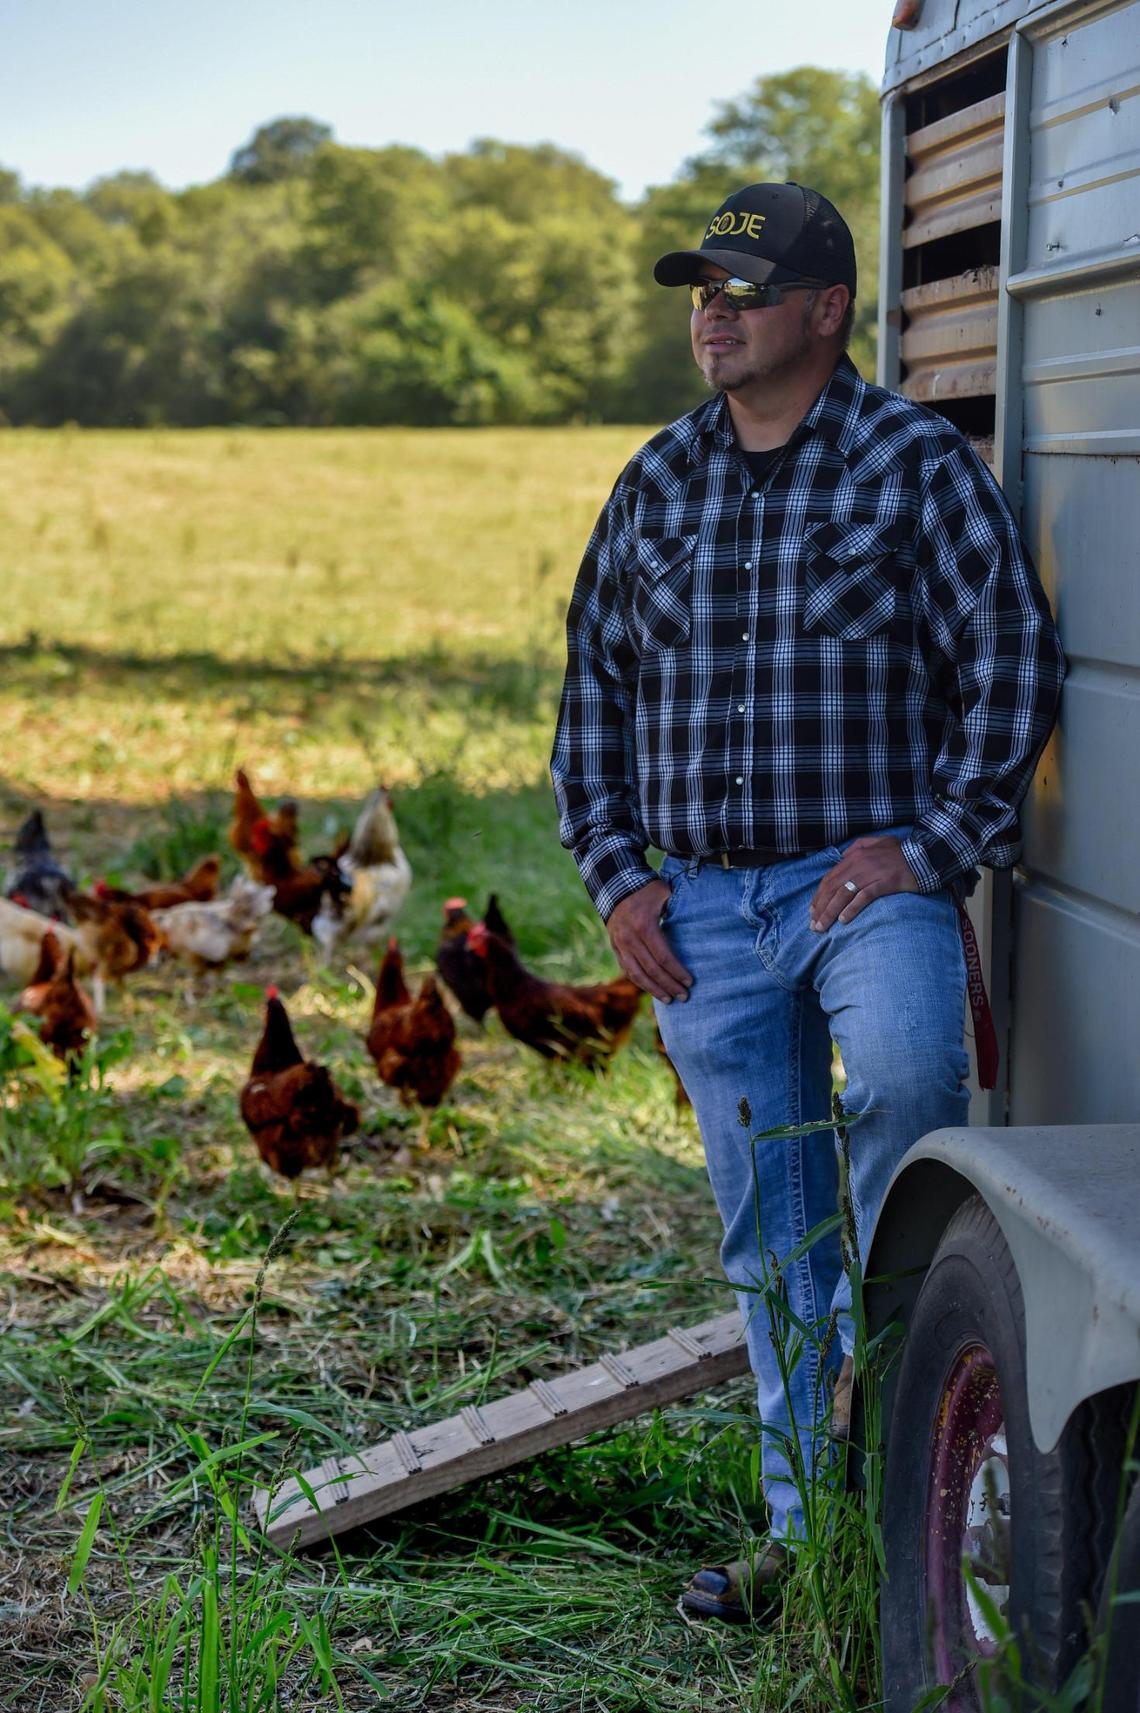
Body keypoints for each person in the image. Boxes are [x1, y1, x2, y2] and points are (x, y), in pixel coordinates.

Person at [550, 181, 1064, 1623]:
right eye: (700, 288)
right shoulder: (657, 482)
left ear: (827, 311)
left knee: (908, 1093)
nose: (711, 310)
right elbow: (592, 695)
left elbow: (1013, 660)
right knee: (772, 1231)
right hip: (701, 910)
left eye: (743, 286)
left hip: (864, 885)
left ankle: (917, 1479)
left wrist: (935, 842)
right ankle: (812, 1537)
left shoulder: (910, 465)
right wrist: (619, 878)